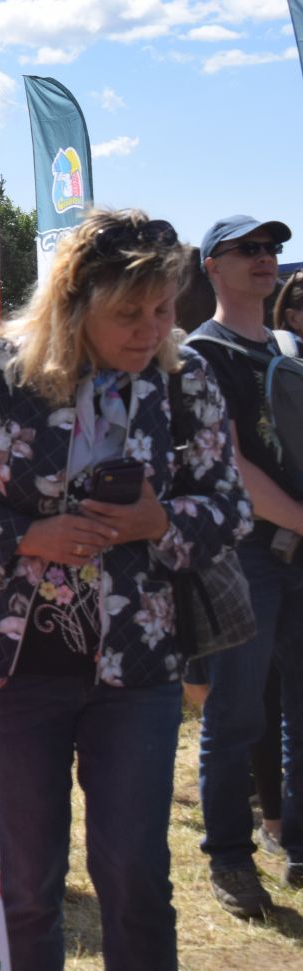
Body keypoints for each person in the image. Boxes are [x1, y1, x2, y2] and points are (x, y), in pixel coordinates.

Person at [0, 209, 251, 971]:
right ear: (75, 304)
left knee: (136, 882)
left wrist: (161, 521)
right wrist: (23, 537)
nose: (151, 332)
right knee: (26, 893)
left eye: (162, 311)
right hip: (11, 674)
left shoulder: (187, 384)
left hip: (136, 669)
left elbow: (230, 507)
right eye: (129, 315)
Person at [186, 215, 303, 917]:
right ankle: (230, 857)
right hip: (248, 551)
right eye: (249, 250)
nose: (267, 260)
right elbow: (229, 464)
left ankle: (297, 846)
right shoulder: (203, 355)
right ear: (213, 266)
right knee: (234, 715)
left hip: (295, 551)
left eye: (272, 250)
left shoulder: (289, 346)